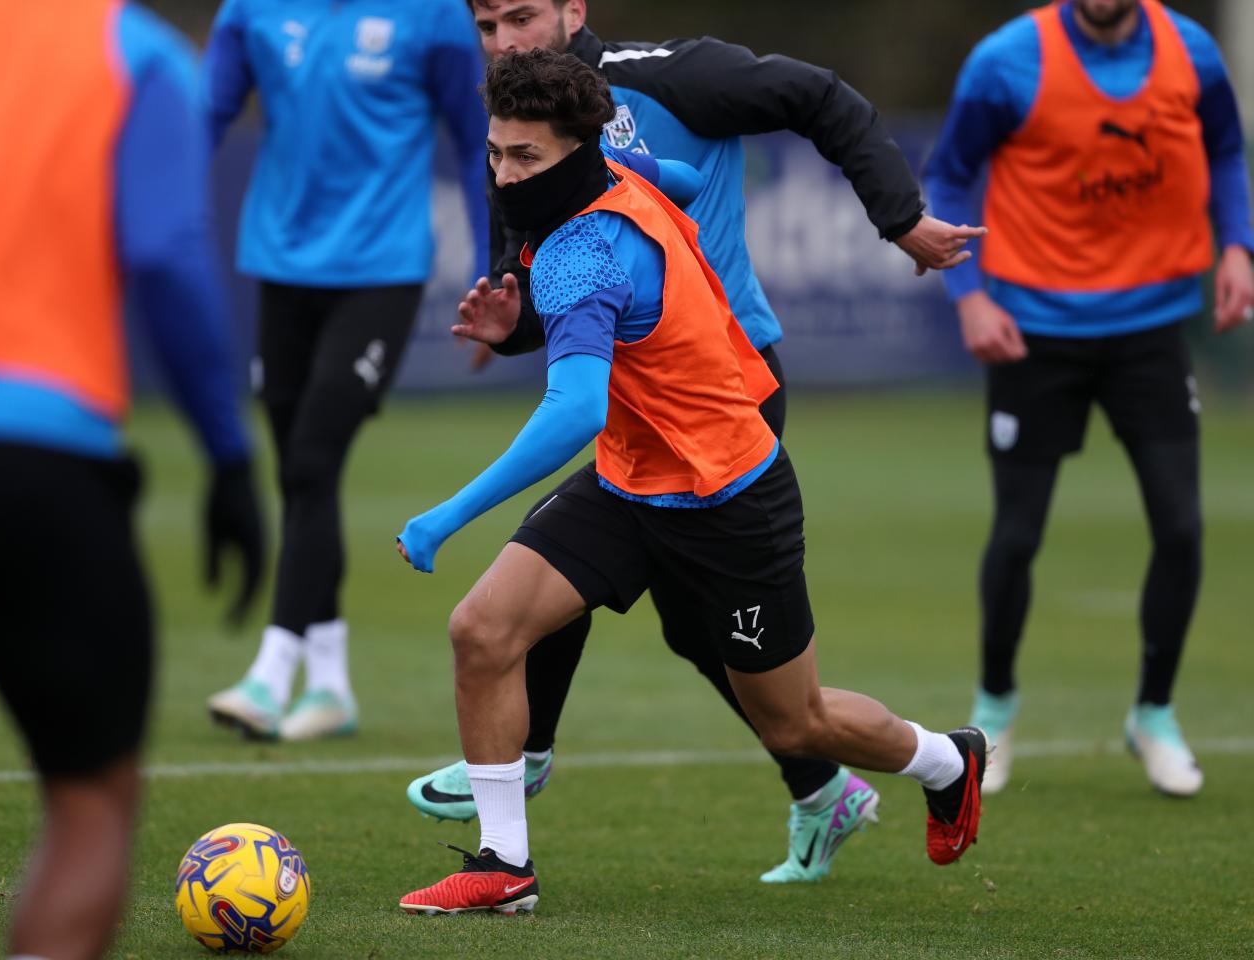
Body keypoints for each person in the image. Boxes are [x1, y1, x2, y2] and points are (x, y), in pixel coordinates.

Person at [394, 49, 986, 916]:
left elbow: (574, 412)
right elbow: (669, 171)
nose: (504, 174)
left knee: (796, 722)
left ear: (575, 150)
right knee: (482, 632)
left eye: (526, 158)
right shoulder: (620, 166)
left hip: (731, 499)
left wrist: (448, 514)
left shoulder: (580, 257)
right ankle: (503, 865)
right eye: (495, 153)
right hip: (634, 482)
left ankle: (946, 760)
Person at [0, 2, 266, 957]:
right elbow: (163, 253)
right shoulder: (132, 51)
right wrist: (226, 453)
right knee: (91, 801)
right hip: (34, 460)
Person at [924, 0, 1254, 796]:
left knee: (1180, 527)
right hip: (1034, 330)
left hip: (1152, 327)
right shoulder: (1007, 61)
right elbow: (948, 174)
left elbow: (1227, 154)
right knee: (1018, 535)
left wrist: (1238, 244)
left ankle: (1155, 714)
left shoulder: (1194, 52)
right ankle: (994, 711)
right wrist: (969, 295)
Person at [202, 0, 491, 741]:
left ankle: (271, 672)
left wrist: (496, 275)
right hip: (277, 263)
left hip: (381, 267)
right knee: (303, 475)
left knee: (311, 456)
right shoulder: (252, 10)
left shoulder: (431, 15)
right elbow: (206, 117)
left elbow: (472, 141)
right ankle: (329, 685)